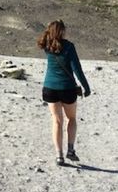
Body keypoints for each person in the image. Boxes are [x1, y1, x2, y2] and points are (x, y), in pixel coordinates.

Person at [37, 20, 91, 166]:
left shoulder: (47, 46)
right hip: (67, 89)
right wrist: (86, 87)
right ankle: (71, 150)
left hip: (49, 88)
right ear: (61, 31)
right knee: (71, 119)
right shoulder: (69, 47)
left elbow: (51, 42)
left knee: (56, 120)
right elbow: (77, 69)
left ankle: (59, 155)